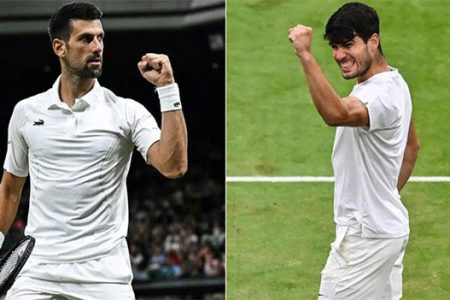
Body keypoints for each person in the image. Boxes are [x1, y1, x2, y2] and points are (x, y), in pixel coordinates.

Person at [0, 2, 187, 299]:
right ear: (60, 47)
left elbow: (173, 166)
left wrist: (167, 88)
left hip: (105, 277)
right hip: (38, 271)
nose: (97, 46)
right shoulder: (26, 112)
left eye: (100, 38)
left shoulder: (127, 112)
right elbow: (11, 188)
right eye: (86, 39)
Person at [288, 2, 419, 299]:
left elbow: (337, 114)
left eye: (348, 45)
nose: (339, 55)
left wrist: (306, 55)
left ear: (373, 41)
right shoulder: (396, 83)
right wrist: (384, 198)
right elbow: (412, 147)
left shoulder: (381, 95)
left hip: (366, 239)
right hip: (387, 227)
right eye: (334, 47)